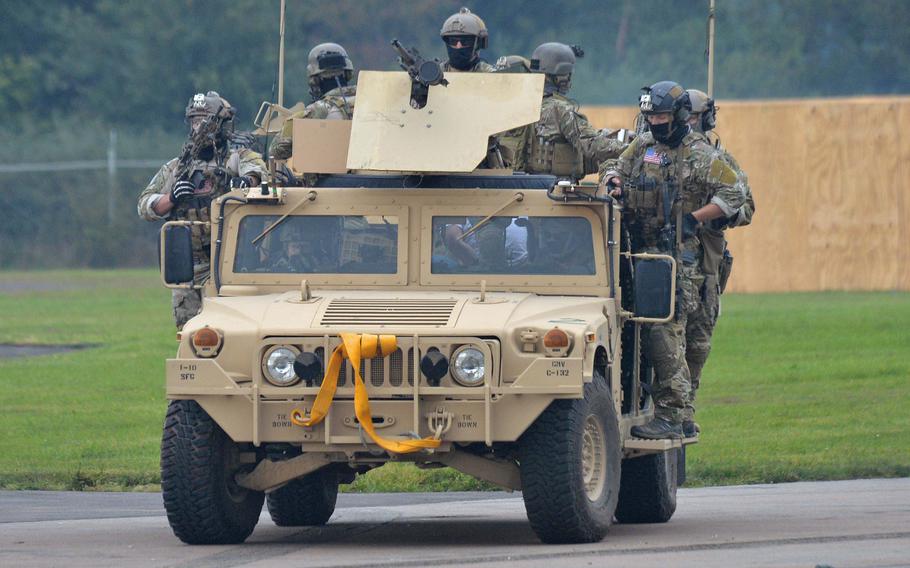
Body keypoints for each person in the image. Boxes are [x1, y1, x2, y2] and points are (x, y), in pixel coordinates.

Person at [600, 81, 745, 439]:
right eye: (651, 116)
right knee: (650, 332)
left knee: (666, 332)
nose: (656, 122)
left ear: (679, 115)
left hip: (680, 259)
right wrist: (614, 180)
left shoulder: (700, 154)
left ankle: (672, 413)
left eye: (663, 115)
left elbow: (736, 192)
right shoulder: (645, 145)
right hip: (640, 252)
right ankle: (671, 411)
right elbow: (614, 165)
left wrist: (696, 218)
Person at [138, 91, 267, 330]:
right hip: (189, 265)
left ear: (219, 125)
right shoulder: (177, 168)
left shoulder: (238, 158)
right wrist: (172, 197)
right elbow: (145, 205)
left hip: (231, 265)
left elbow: (258, 174)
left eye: (205, 122)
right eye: (194, 122)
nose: (199, 128)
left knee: (231, 330)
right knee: (188, 332)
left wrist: (244, 183)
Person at [681, 89, 756, 436]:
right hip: (663, 259)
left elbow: (746, 206)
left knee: (697, 344)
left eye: (693, 117)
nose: (687, 124)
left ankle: (685, 406)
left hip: (705, 263)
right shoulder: (655, 153)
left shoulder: (719, 159)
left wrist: (720, 216)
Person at [506, 42, 627, 180]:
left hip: (519, 183)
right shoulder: (560, 110)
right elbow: (592, 145)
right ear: (561, 78)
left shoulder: (519, 104)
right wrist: (631, 149)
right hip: (554, 189)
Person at [270, 43, 357, 161]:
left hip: (329, 179)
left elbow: (276, 150)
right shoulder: (370, 102)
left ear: (314, 80)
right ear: (348, 73)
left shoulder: (316, 111)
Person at [439, 7, 494, 73]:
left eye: (465, 41)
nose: (458, 46)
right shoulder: (436, 73)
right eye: (453, 41)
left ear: (477, 44)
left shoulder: (489, 74)